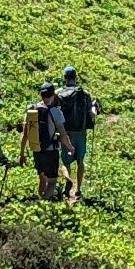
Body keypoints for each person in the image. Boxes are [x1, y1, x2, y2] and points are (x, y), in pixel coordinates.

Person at [53, 68, 97, 199]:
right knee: (80, 160)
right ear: (75, 77)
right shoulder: (84, 93)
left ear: (65, 77)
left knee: (65, 162)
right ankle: (78, 189)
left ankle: (68, 181)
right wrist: (95, 109)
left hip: (65, 132)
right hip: (80, 132)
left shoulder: (58, 94)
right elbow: (91, 113)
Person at [27, 76, 69, 202]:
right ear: (52, 95)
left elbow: (25, 132)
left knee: (42, 177)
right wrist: (70, 147)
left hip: (36, 149)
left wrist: (23, 151)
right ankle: (44, 203)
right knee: (52, 182)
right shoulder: (55, 111)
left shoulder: (32, 109)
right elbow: (63, 134)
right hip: (50, 151)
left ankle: (40, 199)